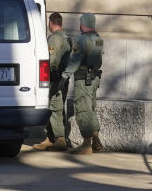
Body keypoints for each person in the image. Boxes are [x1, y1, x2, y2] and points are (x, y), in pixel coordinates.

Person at [60, 13, 104, 155]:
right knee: (90, 108)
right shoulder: (98, 39)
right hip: (94, 78)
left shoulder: (82, 40)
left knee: (82, 109)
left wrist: (64, 76)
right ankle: (95, 138)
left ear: (82, 24)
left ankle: (86, 144)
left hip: (83, 79)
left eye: (80, 23)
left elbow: (75, 61)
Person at [33, 13, 71, 152]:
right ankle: (50, 138)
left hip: (55, 79)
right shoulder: (66, 37)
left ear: (51, 23)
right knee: (56, 106)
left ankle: (60, 139)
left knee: (54, 107)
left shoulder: (54, 38)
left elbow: (51, 60)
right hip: (63, 79)